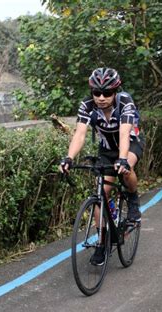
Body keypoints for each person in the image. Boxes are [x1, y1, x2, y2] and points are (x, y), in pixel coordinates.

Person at [59, 67, 144, 265]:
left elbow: (124, 134)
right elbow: (79, 134)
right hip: (106, 149)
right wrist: (69, 158)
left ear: (116, 92)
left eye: (107, 93)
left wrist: (122, 160)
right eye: (97, 93)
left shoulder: (125, 102)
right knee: (100, 195)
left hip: (130, 143)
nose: (101, 97)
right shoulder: (87, 106)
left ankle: (132, 198)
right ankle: (102, 242)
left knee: (126, 169)